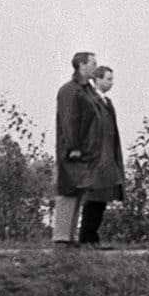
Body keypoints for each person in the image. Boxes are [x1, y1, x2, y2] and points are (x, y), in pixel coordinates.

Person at [76, 65, 126, 248]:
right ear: (96, 80)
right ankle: (87, 238)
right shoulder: (90, 100)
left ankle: (93, 237)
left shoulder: (106, 102)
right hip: (96, 156)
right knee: (94, 197)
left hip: (107, 155)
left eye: (112, 79)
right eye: (107, 79)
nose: (111, 83)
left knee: (102, 198)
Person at [53, 51, 99, 246]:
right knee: (68, 190)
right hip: (74, 151)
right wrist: (73, 146)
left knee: (78, 191)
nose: (95, 68)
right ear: (82, 65)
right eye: (93, 64)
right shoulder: (70, 90)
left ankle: (69, 237)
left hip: (86, 150)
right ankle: (62, 237)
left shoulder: (87, 90)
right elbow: (69, 119)